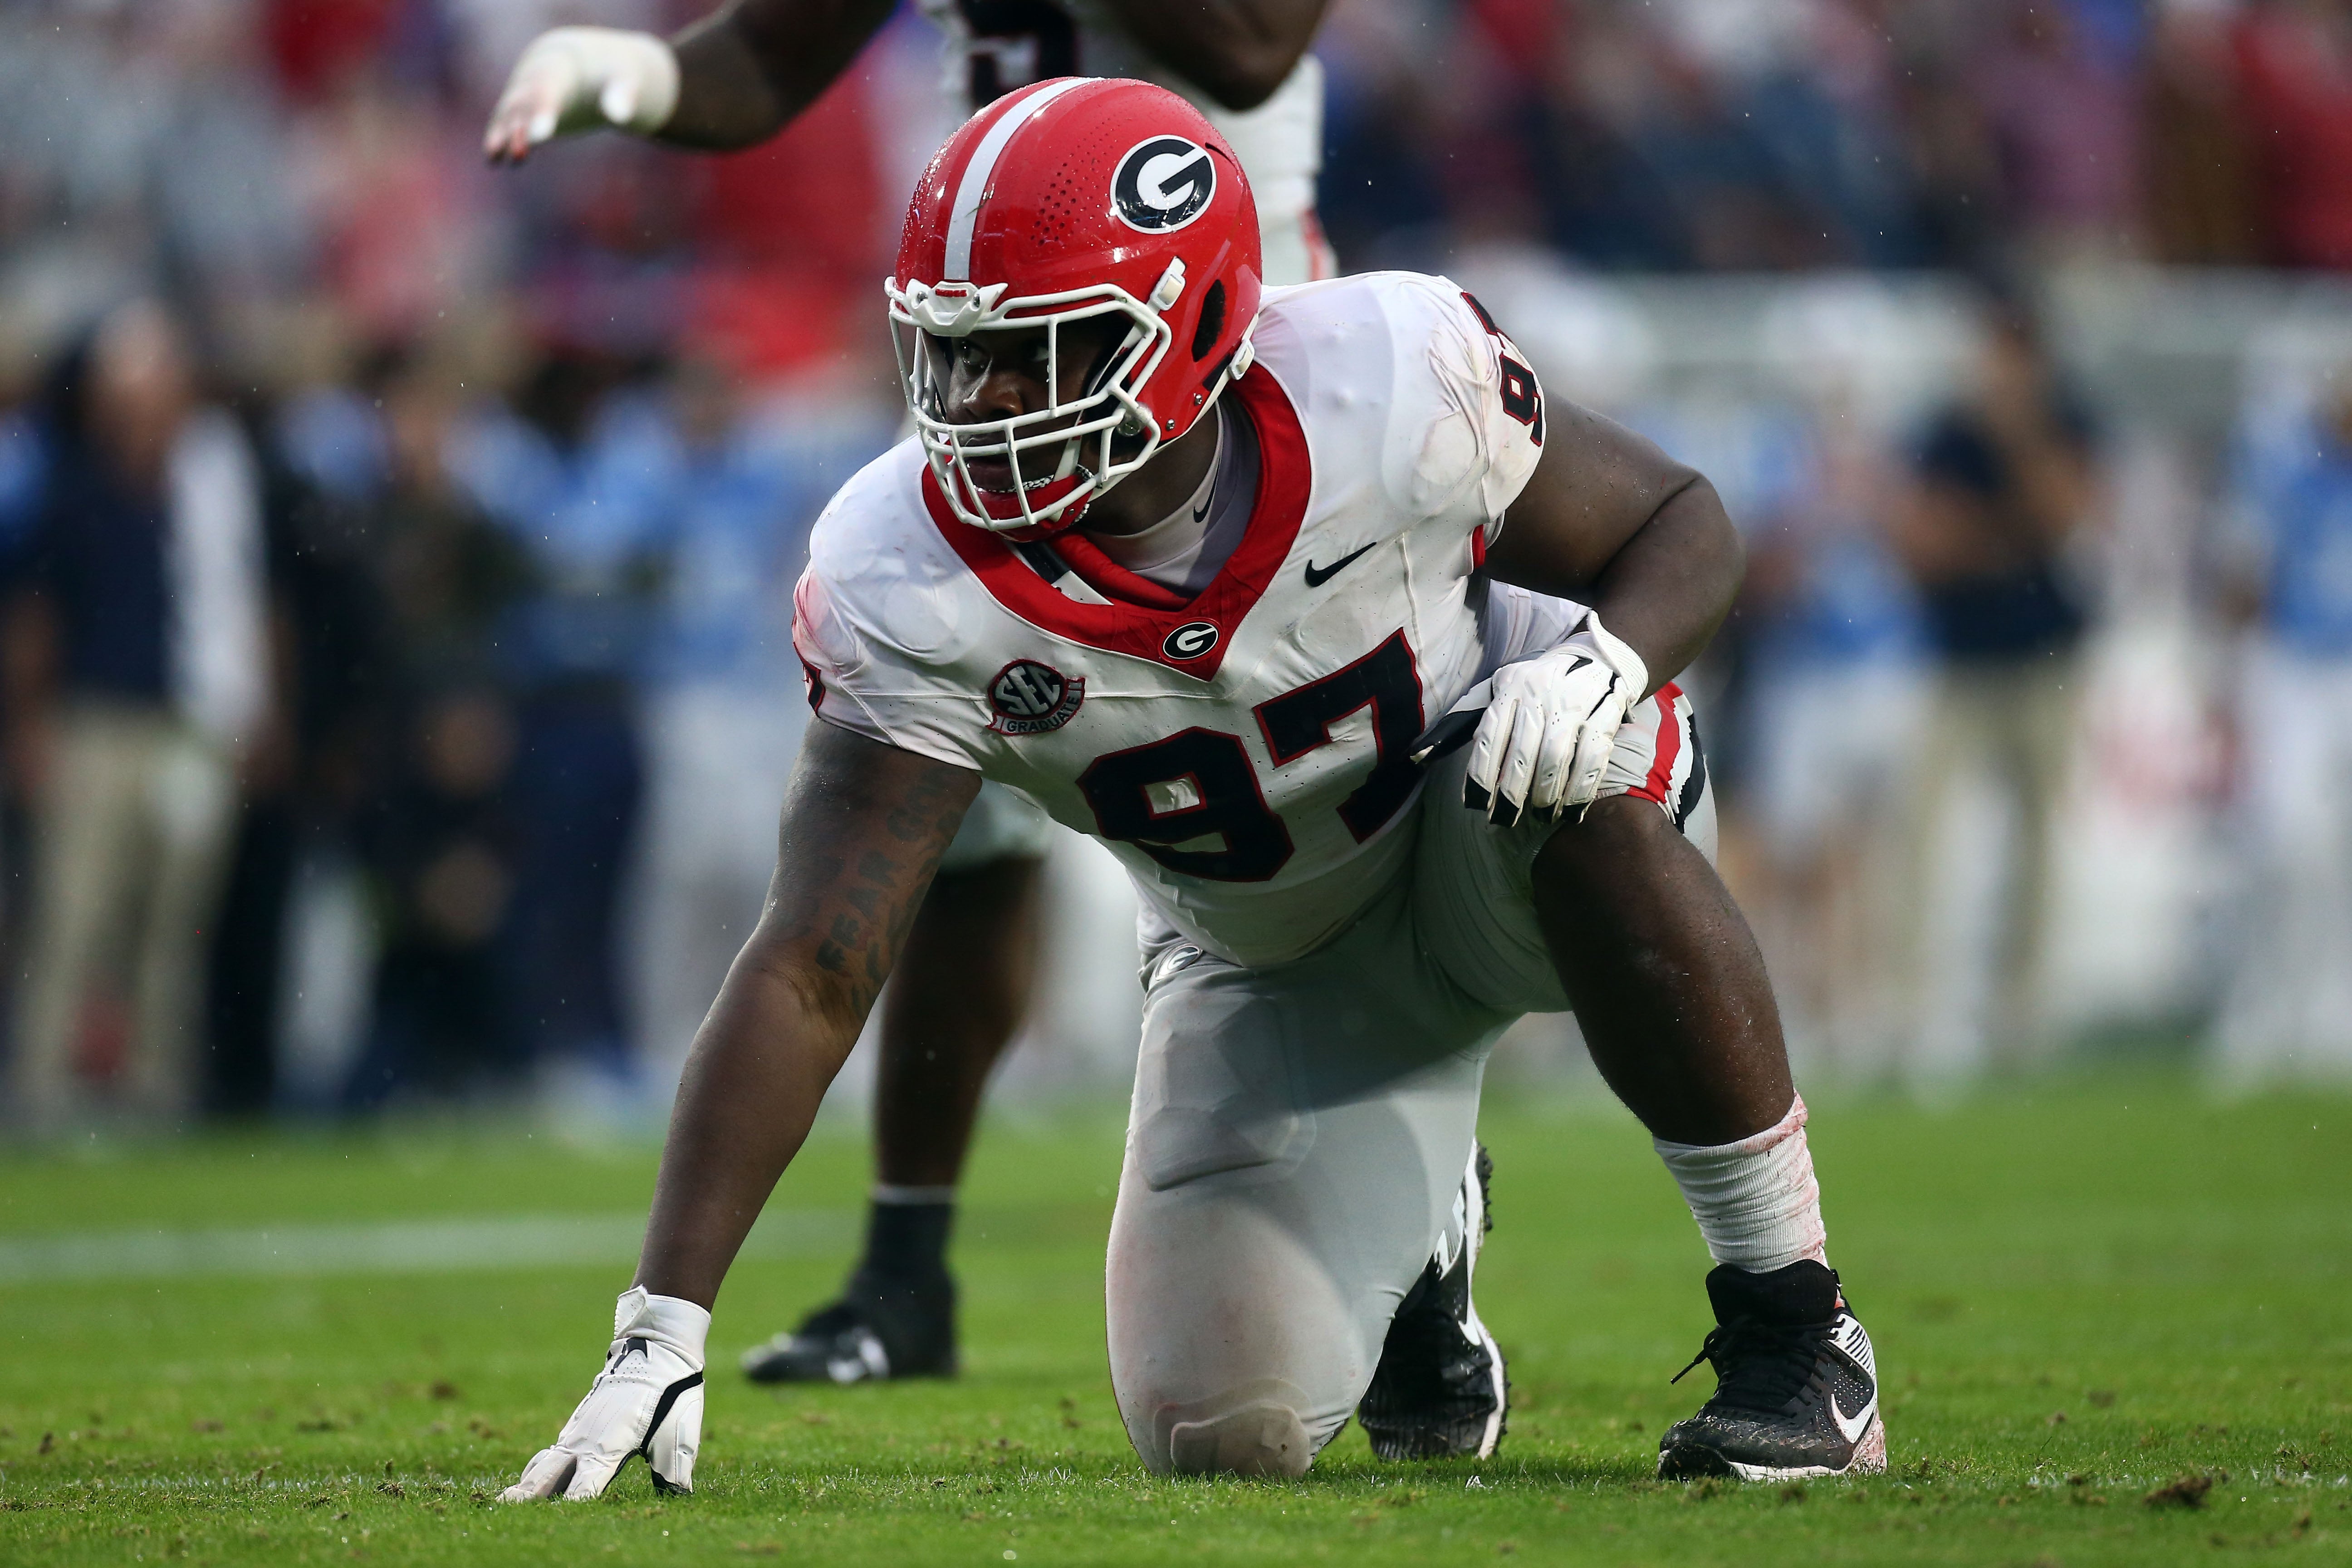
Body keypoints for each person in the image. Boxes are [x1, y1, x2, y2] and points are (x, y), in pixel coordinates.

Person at [501, 80, 1882, 1497]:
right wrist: (659, 1329)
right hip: (1268, 950)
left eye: (1043, 355)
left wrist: (1602, 665)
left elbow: (1676, 519)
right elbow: (813, 962)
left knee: (1572, 773)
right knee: (1225, 1433)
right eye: (958, 355)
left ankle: (1797, 1328)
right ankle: (1423, 1240)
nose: (983, 404)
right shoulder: (904, 570)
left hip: (1507, 814)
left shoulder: (1388, 379)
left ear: (1203, 326)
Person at [482, 0, 1334, 1387]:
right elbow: (767, 56)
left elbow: (1253, 42)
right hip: (1009, 363)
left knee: (1338, 796)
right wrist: (619, 71)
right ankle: (903, 1266)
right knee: (949, 814)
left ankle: (1429, 1236)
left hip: (1232, 367)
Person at [1, 300, 273, 1133]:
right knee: (77, 916)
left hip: (188, 721)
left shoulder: (209, 482)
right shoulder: (75, 485)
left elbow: (246, 600)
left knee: (174, 920)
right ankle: (45, 1091)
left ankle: (156, 1090)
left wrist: (252, 709)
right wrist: (28, 725)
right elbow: (36, 623)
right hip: (97, 723)